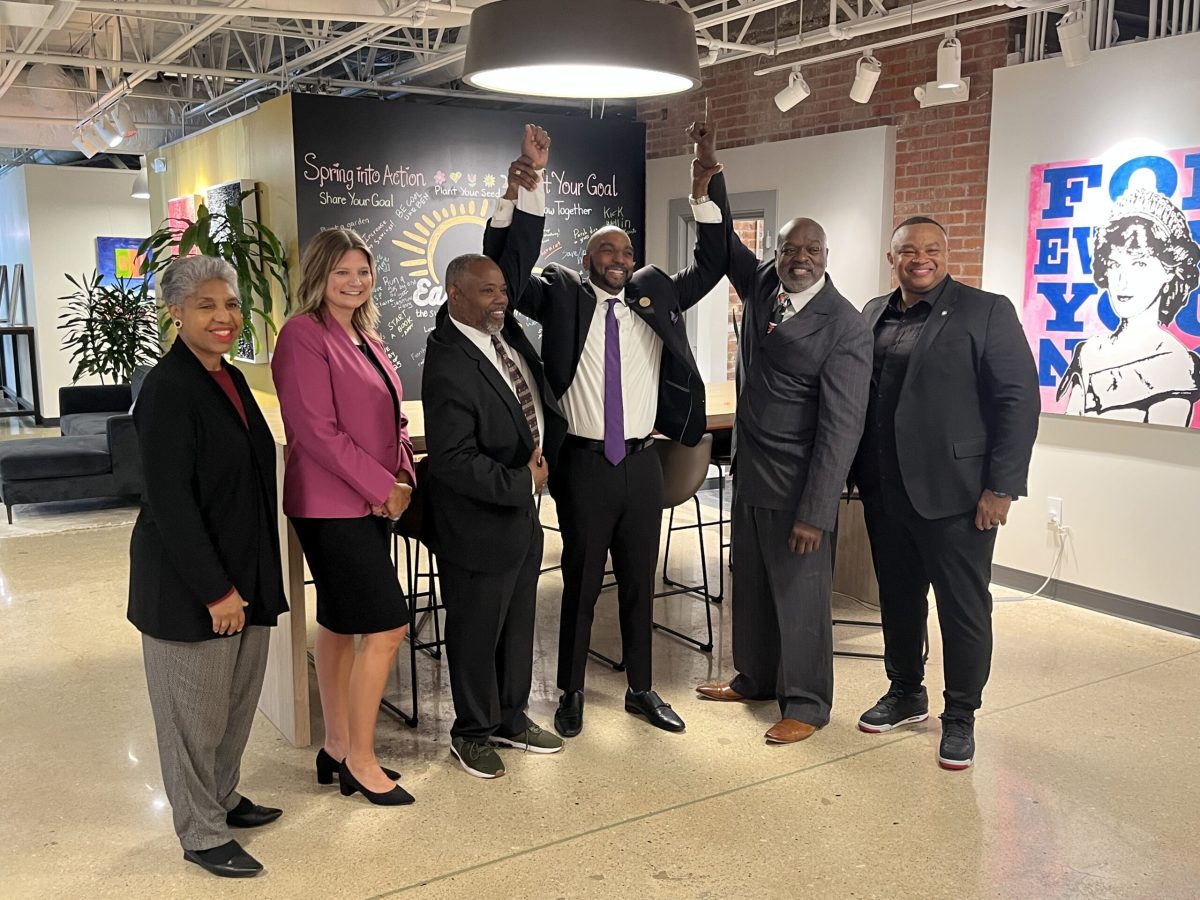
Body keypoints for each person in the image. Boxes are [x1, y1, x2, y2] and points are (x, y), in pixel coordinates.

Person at [484, 122, 727, 738]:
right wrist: (526, 189)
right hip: (585, 464)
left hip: (643, 463)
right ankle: (570, 690)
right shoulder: (563, 294)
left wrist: (705, 191)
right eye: (606, 252)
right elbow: (505, 277)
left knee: (641, 585)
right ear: (589, 258)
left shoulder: (656, 296)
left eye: (626, 252)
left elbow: (715, 261)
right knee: (582, 584)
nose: (618, 261)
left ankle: (641, 689)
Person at [851, 216, 1040, 770]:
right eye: (908, 250)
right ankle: (906, 690)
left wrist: (1001, 487)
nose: (920, 258)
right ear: (893, 259)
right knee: (898, 597)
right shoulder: (872, 313)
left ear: (946, 254)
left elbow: (1018, 402)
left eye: (931, 249)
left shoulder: (987, 311)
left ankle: (960, 715)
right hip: (884, 490)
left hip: (958, 496)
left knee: (962, 608)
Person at [128, 254, 288, 878]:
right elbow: (170, 505)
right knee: (191, 717)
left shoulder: (230, 376)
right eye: (206, 307)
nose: (224, 318)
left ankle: (222, 798)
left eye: (230, 305)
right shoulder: (168, 390)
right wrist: (217, 590)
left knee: (233, 705)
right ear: (175, 313)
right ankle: (199, 831)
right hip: (192, 587)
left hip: (243, 573)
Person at [695, 191, 873, 743]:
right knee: (749, 586)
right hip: (749, 477)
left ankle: (808, 702)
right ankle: (755, 678)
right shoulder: (765, 286)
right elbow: (724, 245)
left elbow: (842, 427)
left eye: (812, 249)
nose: (801, 257)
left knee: (801, 600)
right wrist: (709, 180)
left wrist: (816, 512)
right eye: (790, 247)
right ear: (774, 252)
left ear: (826, 255)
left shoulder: (844, 324)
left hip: (799, 490)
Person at [272, 228, 417, 805]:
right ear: (319, 276)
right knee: (386, 626)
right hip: (330, 506)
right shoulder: (302, 336)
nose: (354, 282)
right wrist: (383, 486)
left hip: (372, 500)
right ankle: (361, 759)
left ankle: (334, 747)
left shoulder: (366, 336)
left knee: (336, 624)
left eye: (362, 272)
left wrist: (402, 478)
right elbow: (316, 433)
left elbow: (394, 420)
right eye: (342, 273)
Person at [422, 253, 568, 778]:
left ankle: (510, 715)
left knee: (517, 623)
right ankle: (472, 731)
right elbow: (452, 460)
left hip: (521, 514)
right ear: (454, 295)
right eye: (487, 291)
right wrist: (521, 481)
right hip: (478, 520)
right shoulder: (448, 359)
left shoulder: (503, 338)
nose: (501, 298)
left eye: (503, 288)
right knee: (476, 631)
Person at [1057, 187, 1200, 426]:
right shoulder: (1090, 350)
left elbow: (1161, 452)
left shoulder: (1173, 362)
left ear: (1169, 272)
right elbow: (1069, 431)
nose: (1123, 280)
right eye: (1115, 265)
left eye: (1139, 264)